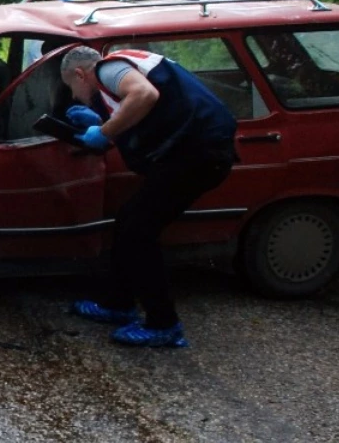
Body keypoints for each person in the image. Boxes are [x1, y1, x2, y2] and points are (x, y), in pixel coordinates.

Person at [60, 46, 238, 348]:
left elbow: (144, 96)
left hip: (198, 154)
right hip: (195, 152)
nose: (76, 96)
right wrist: (104, 120)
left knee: (138, 233)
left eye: (72, 88)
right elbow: (142, 108)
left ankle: (164, 325)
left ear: (80, 73)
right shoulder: (124, 68)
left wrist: (103, 131)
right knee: (129, 220)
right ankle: (118, 304)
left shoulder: (107, 69)